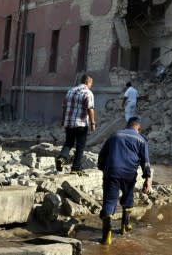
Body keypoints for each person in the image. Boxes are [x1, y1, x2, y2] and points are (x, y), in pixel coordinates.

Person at [97, 116, 152, 245]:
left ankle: (107, 236)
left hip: (112, 172)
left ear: (127, 125)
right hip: (129, 173)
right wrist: (147, 180)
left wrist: (102, 168)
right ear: (138, 127)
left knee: (110, 201)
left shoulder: (114, 135)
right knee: (128, 197)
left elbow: (102, 155)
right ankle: (124, 227)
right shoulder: (141, 140)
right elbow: (146, 162)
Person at [55, 74, 96, 174]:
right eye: (91, 84)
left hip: (69, 122)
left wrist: (63, 120)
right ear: (87, 82)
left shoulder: (70, 91)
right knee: (80, 145)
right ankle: (75, 168)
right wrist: (92, 123)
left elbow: (64, 107)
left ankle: (62, 157)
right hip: (81, 123)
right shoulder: (88, 93)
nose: (91, 86)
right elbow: (90, 109)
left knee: (68, 142)